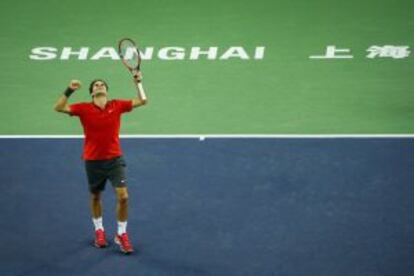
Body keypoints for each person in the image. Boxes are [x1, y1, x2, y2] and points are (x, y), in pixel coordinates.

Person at [53, 72, 147, 254]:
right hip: (93, 160)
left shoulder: (117, 105)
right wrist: (69, 90)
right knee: (96, 196)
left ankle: (121, 233)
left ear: (106, 91)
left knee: (124, 196)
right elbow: (58, 107)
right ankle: (99, 230)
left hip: (114, 159)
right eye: (95, 85)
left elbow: (143, 100)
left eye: (102, 84)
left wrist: (139, 82)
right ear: (91, 93)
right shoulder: (83, 108)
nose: (99, 86)